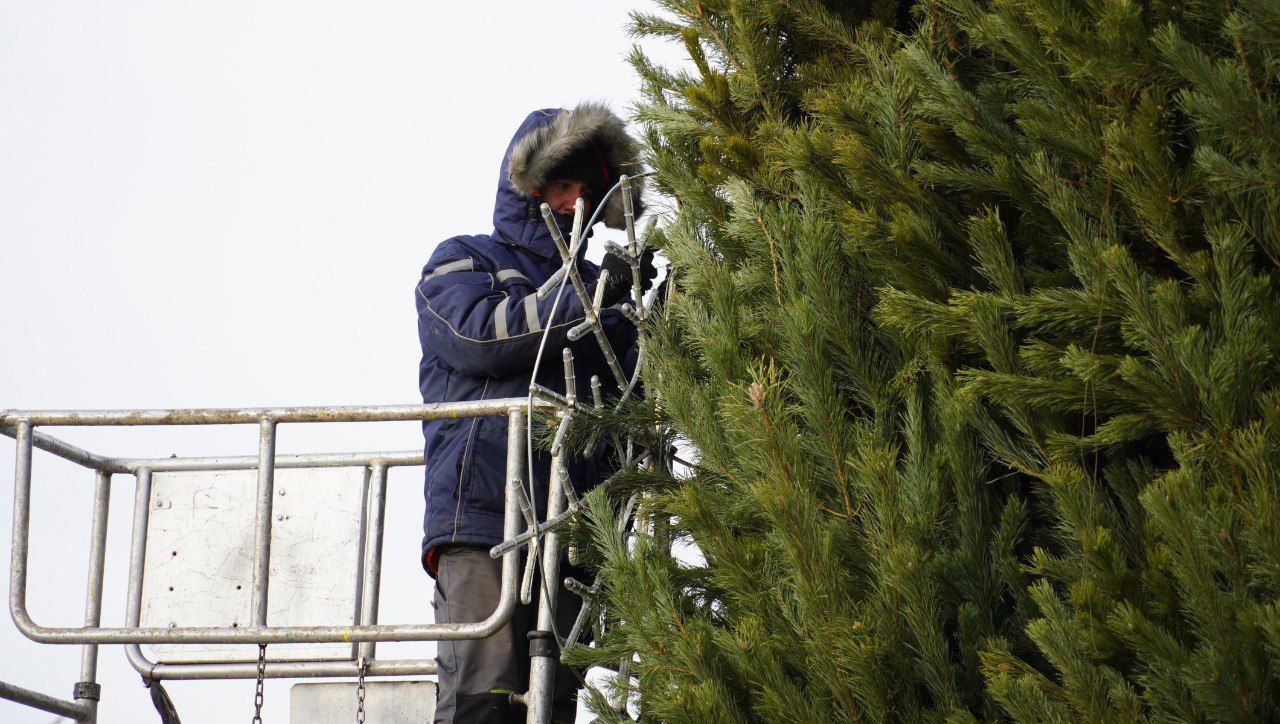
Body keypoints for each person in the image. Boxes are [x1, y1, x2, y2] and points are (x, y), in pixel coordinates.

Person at [414, 103, 656, 723]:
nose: (577, 202)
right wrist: (585, 296)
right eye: (565, 184)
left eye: (588, 191)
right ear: (530, 186)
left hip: (570, 532)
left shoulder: (602, 291)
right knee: (483, 695)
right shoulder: (461, 260)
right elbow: (481, 336)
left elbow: (635, 389)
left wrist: (639, 313)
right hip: (481, 524)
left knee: (550, 705)